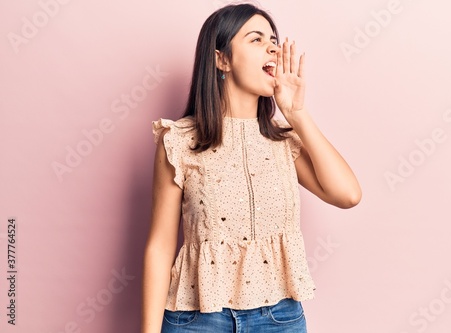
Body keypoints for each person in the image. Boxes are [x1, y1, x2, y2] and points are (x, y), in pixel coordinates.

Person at [141, 3, 361, 333]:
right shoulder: (179, 141)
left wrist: (296, 114)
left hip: (279, 318)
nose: (272, 47)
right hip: (197, 318)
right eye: (256, 39)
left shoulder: (285, 139)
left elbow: (347, 195)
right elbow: (159, 247)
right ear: (222, 59)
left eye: (273, 40)